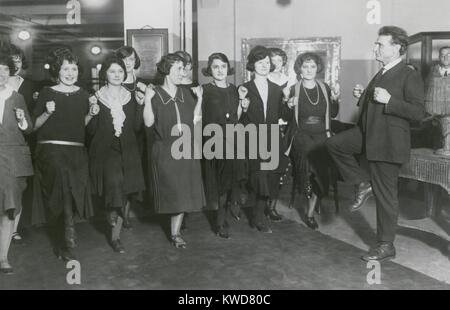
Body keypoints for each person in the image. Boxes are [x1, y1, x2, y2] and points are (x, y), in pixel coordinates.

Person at [325, 26, 426, 262]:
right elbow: (376, 103)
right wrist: (364, 95)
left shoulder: (408, 74)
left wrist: (390, 101)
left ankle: (385, 244)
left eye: (380, 44)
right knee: (334, 145)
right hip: (367, 133)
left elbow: (419, 112)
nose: (375, 47)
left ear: (397, 48)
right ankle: (362, 182)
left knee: (386, 196)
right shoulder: (382, 72)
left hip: (388, 143)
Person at [32, 48, 97, 261]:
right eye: (66, 68)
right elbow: (33, 126)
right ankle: (67, 242)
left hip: (76, 151)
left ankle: (64, 239)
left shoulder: (84, 95)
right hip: (51, 150)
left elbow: (81, 127)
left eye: (74, 68)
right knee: (61, 194)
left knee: (71, 194)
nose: (70, 73)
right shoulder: (46, 93)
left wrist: (90, 114)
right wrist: (47, 112)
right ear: (58, 71)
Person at [143, 53, 204, 248]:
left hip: (185, 148)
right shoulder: (155, 93)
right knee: (172, 190)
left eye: (184, 69)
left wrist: (200, 99)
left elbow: (195, 120)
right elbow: (148, 122)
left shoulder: (186, 93)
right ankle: (174, 230)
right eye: (179, 68)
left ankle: (175, 233)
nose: (183, 73)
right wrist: (146, 100)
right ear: (167, 70)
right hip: (164, 150)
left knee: (184, 191)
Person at [87, 53, 146, 253]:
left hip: (128, 150)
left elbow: (137, 127)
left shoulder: (131, 97)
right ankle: (110, 212)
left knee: (125, 190)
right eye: (112, 71)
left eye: (120, 71)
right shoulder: (95, 97)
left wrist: (140, 105)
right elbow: (90, 131)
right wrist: (91, 113)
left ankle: (115, 236)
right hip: (105, 151)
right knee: (114, 182)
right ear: (105, 73)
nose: (117, 74)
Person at [285, 52, 340, 230]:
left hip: (322, 134)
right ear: (299, 69)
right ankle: (309, 206)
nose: (309, 70)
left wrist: (335, 99)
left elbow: (332, 114)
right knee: (311, 163)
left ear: (318, 69)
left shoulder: (325, 88)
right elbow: (285, 117)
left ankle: (313, 203)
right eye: (305, 66)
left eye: (312, 66)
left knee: (321, 166)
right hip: (301, 135)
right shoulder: (293, 89)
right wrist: (287, 104)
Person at [240, 46, 290, 233]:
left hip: (273, 136)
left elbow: (283, 115)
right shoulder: (244, 89)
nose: (264, 66)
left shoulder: (277, 89)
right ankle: (258, 217)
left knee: (271, 176)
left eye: (267, 63)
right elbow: (239, 119)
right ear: (252, 65)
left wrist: (288, 103)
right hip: (252, 137)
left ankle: (261, 210)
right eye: (260, 62)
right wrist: (243, 108)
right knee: (259, 175)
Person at [200, 52, 247, 238]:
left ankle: (223, 215)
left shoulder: (235, 89)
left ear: (228, 68)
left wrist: (243, 105)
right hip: (213, 139)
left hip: (233, 139)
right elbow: (198, 117)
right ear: (210, 70)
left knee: (230, 181)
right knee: (220, 182)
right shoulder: (204, 89)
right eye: (215, 67)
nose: (220, 70)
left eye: (223, 66)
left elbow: (236, 117)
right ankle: (220, 222)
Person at [0, 53, 33, 274]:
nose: (1, 73)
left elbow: (29, 127)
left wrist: (22, 118)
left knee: (10, 205)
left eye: (4, 69)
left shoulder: (16, 96)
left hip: (12, 155)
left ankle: (3, 257)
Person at [115, 45, 147, 229]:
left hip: (138, 136)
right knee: (119, 175)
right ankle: (118, 212)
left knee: (133, 177)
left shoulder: (142, 83)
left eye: (131, 59)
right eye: (125, 59)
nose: (128, 63)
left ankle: (125, 213)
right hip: (118, 134)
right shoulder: (113, 81)